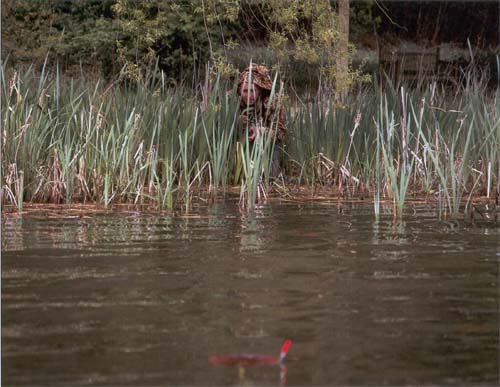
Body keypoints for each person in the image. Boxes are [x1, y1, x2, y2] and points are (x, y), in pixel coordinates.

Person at [237, 64, 286, 178]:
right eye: (245, 91)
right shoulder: (231, 102)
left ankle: (271, 177)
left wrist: (261, 131)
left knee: (272, 173)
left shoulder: (272, 102)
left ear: (259, 90)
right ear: (239, 91)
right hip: (239, 144)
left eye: (253, 90)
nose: (250, 95)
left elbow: (280, 132)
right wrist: (238, 124)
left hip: (267, 145)